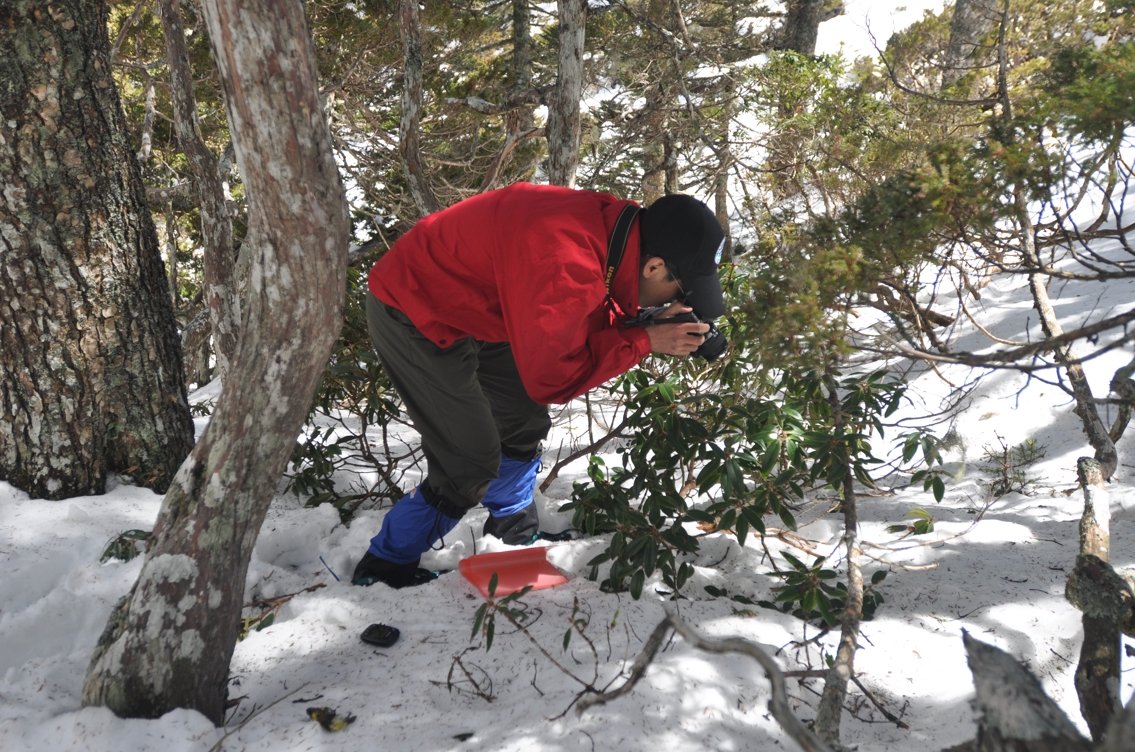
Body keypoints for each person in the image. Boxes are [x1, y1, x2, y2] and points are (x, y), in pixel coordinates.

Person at [351, 182, 726, 588]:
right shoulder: (565, 257)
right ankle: (385, 566)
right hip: (413, 307)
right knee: (469, 461)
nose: (674, 300)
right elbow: (553, 378)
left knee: (522, 420)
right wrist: (645, 339)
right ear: (653, 267)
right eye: (680, 290)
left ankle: (511, 533)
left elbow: (578, 310)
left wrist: (640, 323)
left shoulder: (616, 230)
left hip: (486, 306)